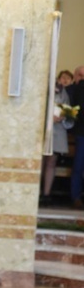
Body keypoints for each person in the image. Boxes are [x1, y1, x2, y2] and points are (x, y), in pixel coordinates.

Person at [41, 71, 76, 204]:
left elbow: (69, 110)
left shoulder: (64, 93)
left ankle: (46, 193)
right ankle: (35, 191)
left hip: (58, 131)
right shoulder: (46, 89)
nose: (64, 81)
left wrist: (64, 116)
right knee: (40, 162)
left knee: (51, 162)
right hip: (44, 129)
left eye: (68, 78)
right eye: (63, 78)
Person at [66, 65, 84, 208]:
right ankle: (76, 197)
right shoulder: (72, 91)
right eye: (81, 76)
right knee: (78, 166)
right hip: (81, 133)